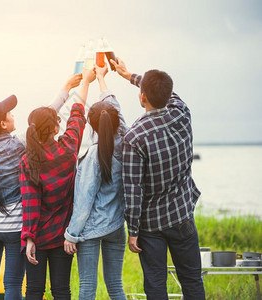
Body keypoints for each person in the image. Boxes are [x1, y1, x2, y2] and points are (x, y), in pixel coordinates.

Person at [0, 74, 82, 300]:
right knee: (12, 284)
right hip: (12, 225)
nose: (13, 115)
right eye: (9, 114)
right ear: (3, 124)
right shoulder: (18, 145)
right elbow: (44, 119)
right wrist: (66, 88)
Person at [109, 57, 206, 300]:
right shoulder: (181, 113)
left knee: (155, 286)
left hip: (151, 226)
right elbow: (167, 92)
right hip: (182, 214)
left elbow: (133, 189)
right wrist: (130, 75)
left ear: (142, 97)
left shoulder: (135, 137)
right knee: (192, 280)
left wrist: (132, 230)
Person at [20, 68, 96, 300]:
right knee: (62, 290)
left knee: (34, 290)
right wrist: (86, 83)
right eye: (57, 121)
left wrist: (29, 237)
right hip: (64, 235)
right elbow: (77, 114)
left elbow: (30, 203)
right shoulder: (68, 148)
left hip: (39, 234)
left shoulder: (28, 160)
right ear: (54, 128)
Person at [64, 65, 127, 300]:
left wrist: (71, 234)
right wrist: (101, 79)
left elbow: (84, 199)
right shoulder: (124, 142)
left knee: (87, 289)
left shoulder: (93, 155)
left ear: (91, 125)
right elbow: (115, 109)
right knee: (116, 287)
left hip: (90, 230)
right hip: (116, 227)